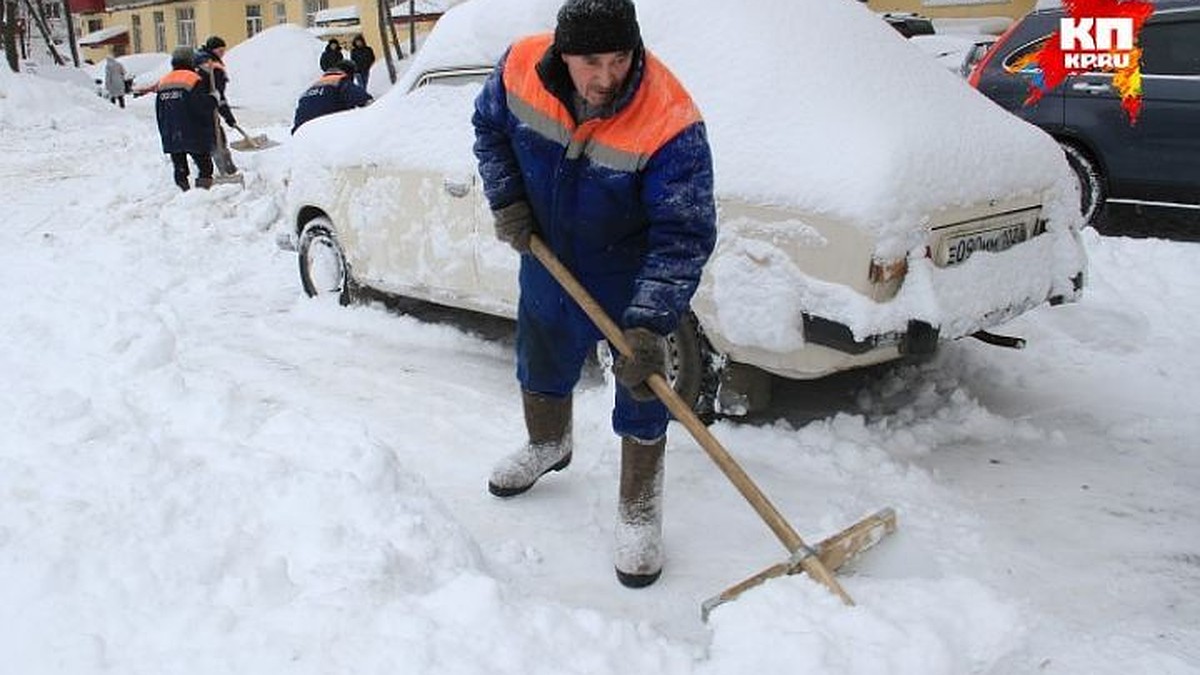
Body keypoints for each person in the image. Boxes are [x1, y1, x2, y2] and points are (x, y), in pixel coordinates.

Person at [471, 0, 716, 588]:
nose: (606, 77)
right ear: (562, 54)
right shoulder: (521, 67)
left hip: (628, 269)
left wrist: (651, 318)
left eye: (619, 59)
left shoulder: (670, 117)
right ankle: (548, 441)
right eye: (590, 62)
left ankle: (638, 508)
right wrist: (508, 200)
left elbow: (684, 230)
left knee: (642, 383)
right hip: (548, 254)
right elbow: (490, 128)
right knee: (542, 353)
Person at [155, 46, 217, 191]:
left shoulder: (163, 81)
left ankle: (184, 193)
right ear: (191, 60)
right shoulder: (193, 79)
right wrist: (213, 99)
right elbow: (201, 107)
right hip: (193, 132)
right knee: (205, 166)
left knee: (180, 168)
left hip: (171, 132)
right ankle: (202, 194)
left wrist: (164, 131)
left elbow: (160, 111)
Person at [195, 35, 238, 176]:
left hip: (193, 105)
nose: (222, 53)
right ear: (213, 50)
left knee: (206, 137)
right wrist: (228, 117)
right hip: (208, 106)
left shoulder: (197, 61)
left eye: (223, 50)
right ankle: (226, 169)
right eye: (220, 51)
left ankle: (217, 168)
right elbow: (219, 96)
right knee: (217, 137)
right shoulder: (214, 66)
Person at [291, 59, 373, 134]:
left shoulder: (315, 85)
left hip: (300, 132)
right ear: (350, 72)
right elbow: (363, 99)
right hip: (324, 130)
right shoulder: (341, 82)